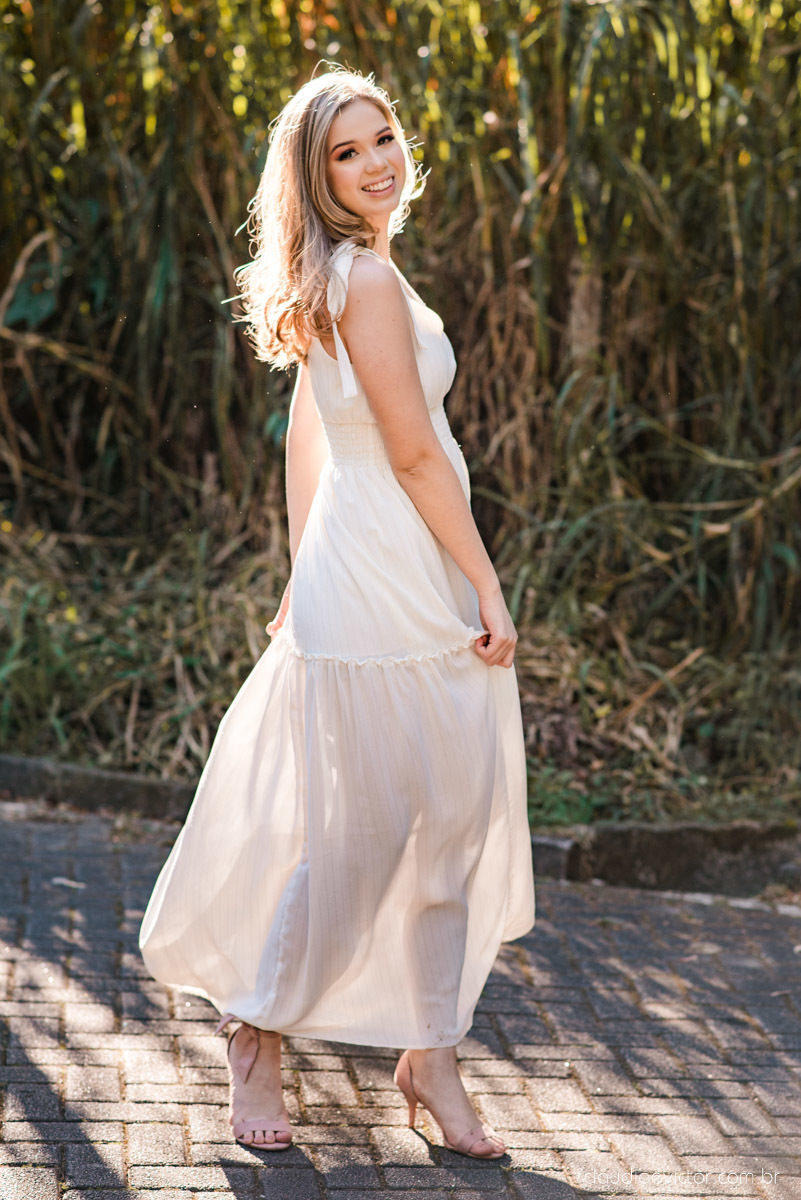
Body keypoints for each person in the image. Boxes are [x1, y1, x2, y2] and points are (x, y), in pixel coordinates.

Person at [139, 64, 535, 1161]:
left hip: (375, 556)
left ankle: (430, 1054)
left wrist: (294, 569)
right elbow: (409, 451)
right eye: (344, 153)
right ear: (314, 180)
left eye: (383, 138)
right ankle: (258, 1026)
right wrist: (488, 585)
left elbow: (312, 434)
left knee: (446, 814)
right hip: (388, 566)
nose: (375, 163)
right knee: (369, 825)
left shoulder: (358, 275)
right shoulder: (357, 280)